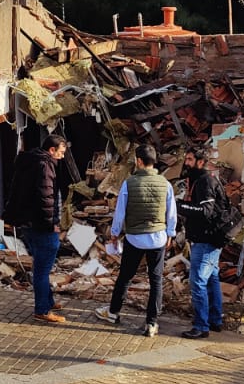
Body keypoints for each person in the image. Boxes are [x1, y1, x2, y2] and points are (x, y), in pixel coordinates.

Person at [96, 143, 176, 338]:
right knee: (156, 281)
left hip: (135, 238)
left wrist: (115, 233)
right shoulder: (165, 183)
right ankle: (152, 323)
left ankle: (113, 312)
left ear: (139, 161)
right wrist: (170, 233)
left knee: (125, 276)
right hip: (158, 238)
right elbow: (171, 212)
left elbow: (120, 212)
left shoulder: (129, 183)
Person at [3, 133, 70, 325]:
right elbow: (45, 199)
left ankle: (48, 301)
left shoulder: (29, 161)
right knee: (42, 268)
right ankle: (42, 310)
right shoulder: (44, 166)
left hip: (27, 223)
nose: (62, 157)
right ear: (52, 150)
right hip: (41, 225)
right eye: (61, 152)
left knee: (41, 265)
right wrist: (52, 225)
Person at [176, 145, 229, 340]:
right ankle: (215, 320)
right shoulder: (200, 180)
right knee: (212, 279)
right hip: (209, 239)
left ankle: (201, 326)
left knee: (197, 281)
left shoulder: (205, 181)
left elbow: (205, 211)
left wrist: (180, 207)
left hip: (206, 240)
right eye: (186, 159)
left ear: (200, 162)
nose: (186, 163)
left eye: (190, 159)